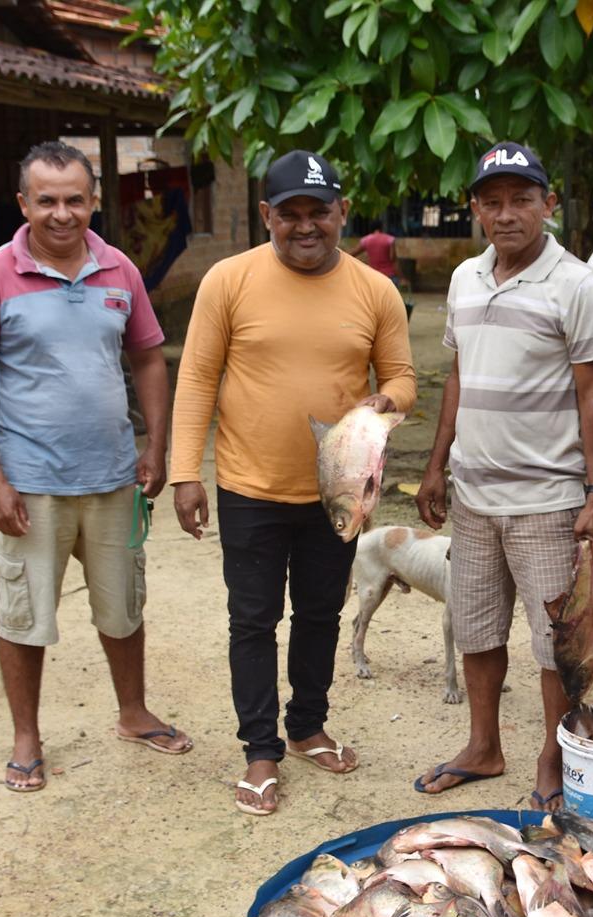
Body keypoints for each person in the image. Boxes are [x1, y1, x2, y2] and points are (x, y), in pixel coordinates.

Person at [168, 150, 416, 817]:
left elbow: (401, 377)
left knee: (319, 613)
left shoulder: (375, 290)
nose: (307, 227)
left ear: (341, 212)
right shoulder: (228, 280)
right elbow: (196, 378)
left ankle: (307, 725)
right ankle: (260, 748)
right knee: (251, 619)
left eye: (320, 213)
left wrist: (381, 408)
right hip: (249, 486)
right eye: (291, 215)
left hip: (338, 488)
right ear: (267, 215)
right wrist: (184, 473)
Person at [0, 141, 192, 794]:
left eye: (74, 199)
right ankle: (27, 738)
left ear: (95, 201)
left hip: (113, 478)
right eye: (47, 200)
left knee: (123, 605)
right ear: (23, 202)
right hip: (31, 485)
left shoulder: (120, 272)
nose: (62, 213)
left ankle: (133, 712)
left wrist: (155, 447)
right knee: (25, 616)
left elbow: (147, 359)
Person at [415, 141, 593, 812]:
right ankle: (483, 747)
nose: (507, 215)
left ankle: (551, 759)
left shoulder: (577, 285)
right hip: (474, 495)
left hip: (546, 499)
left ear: (547, 205)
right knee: (475, 627)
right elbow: (458, 380)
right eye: (492, 202)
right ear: (475, 208)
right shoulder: (465, 279)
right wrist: (436, 465)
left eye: (522, 200)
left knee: (555, 643)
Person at [353, 222, 413, 319]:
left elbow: (352, 254)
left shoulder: (366, 240)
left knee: (373, 303)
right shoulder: (390, 240)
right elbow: (393, 260)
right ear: (382, 228)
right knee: (390, 303)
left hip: (372, 277)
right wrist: (402, 277)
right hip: (389, 277)